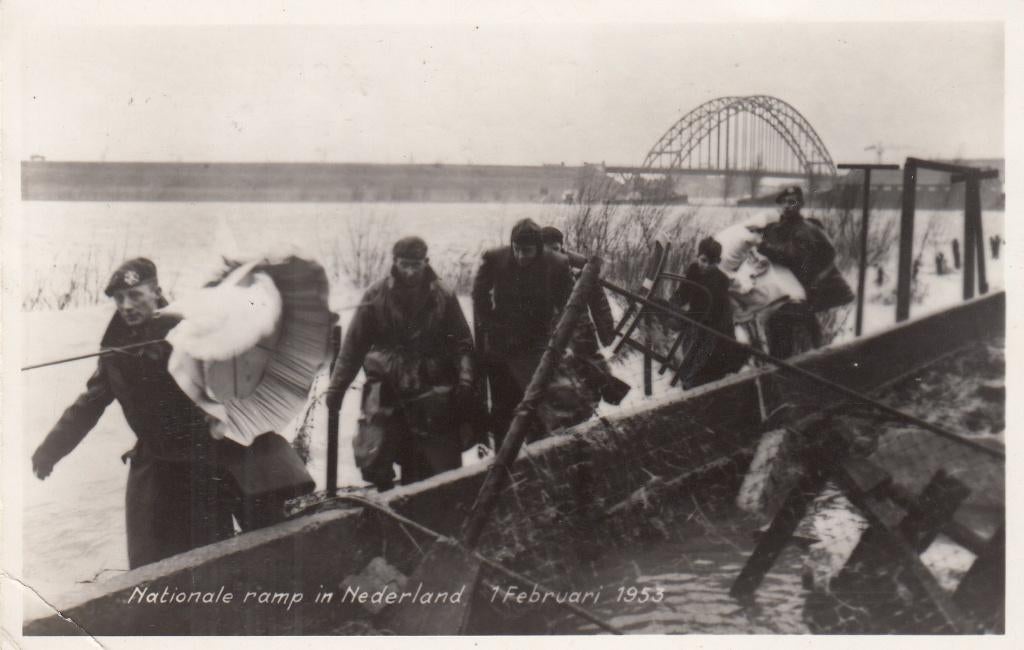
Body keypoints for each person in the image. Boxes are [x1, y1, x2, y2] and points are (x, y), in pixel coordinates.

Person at [31, 258, 238, 569]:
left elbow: (231, 387)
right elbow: (89, 404)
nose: (126, 306)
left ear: (156, 291)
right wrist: (50, 451)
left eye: (136, 296)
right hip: (152, 462)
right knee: (146, 563)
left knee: (210, 559)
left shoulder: (190, 330)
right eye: (119, 299)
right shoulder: (115, 349)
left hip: (200, 462)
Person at [325, 237, 474, 491]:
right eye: (405, 264)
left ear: (426, 262)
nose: (410, 271)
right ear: (394, 262)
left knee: (431, 465)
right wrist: (336, 389)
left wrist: (466, 377)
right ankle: (386, 507)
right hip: (387, 389)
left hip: (429, 387)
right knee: (376, 457)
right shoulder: (375, 295)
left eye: (416, 265)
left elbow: (462, 342)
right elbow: (353, 347)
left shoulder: (443, 295)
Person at [473, 219, 576, 448]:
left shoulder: (557, 264)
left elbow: (569, 308)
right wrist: (491, 326)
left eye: (527, 251)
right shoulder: (495, 259)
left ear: (539, 248)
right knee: (503, 410)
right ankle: (503, 464)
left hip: (536, 347)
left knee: (537, 406)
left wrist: (557, 339)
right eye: (516, 249)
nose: (520, 256)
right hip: (502, 347)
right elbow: (478, 297)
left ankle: (537, 459)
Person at [756, 186, 851, 358]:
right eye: (783, 202)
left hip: (806, 290)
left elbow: (793, 256)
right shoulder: (776, 228)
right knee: (779, 323)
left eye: (792, 202)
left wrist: (764, 247)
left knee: (784, 323)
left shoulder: (805, 229)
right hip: (785, 288)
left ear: (800, 204)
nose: (787, 206)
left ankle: (786, 363)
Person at [668, 237, 744, 387]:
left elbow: (711, 311)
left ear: (717, 262)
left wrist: (685, 319)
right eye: (703, 260)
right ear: (698, 256)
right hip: (698, 319)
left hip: (717, 324)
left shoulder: (720, 280)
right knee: (691, 346)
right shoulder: (693, 270)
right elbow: (683, 292)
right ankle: (688, 376)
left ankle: (693, 381)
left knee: (705, 356)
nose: (705, 265)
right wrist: (673, 304)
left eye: (711, 263)